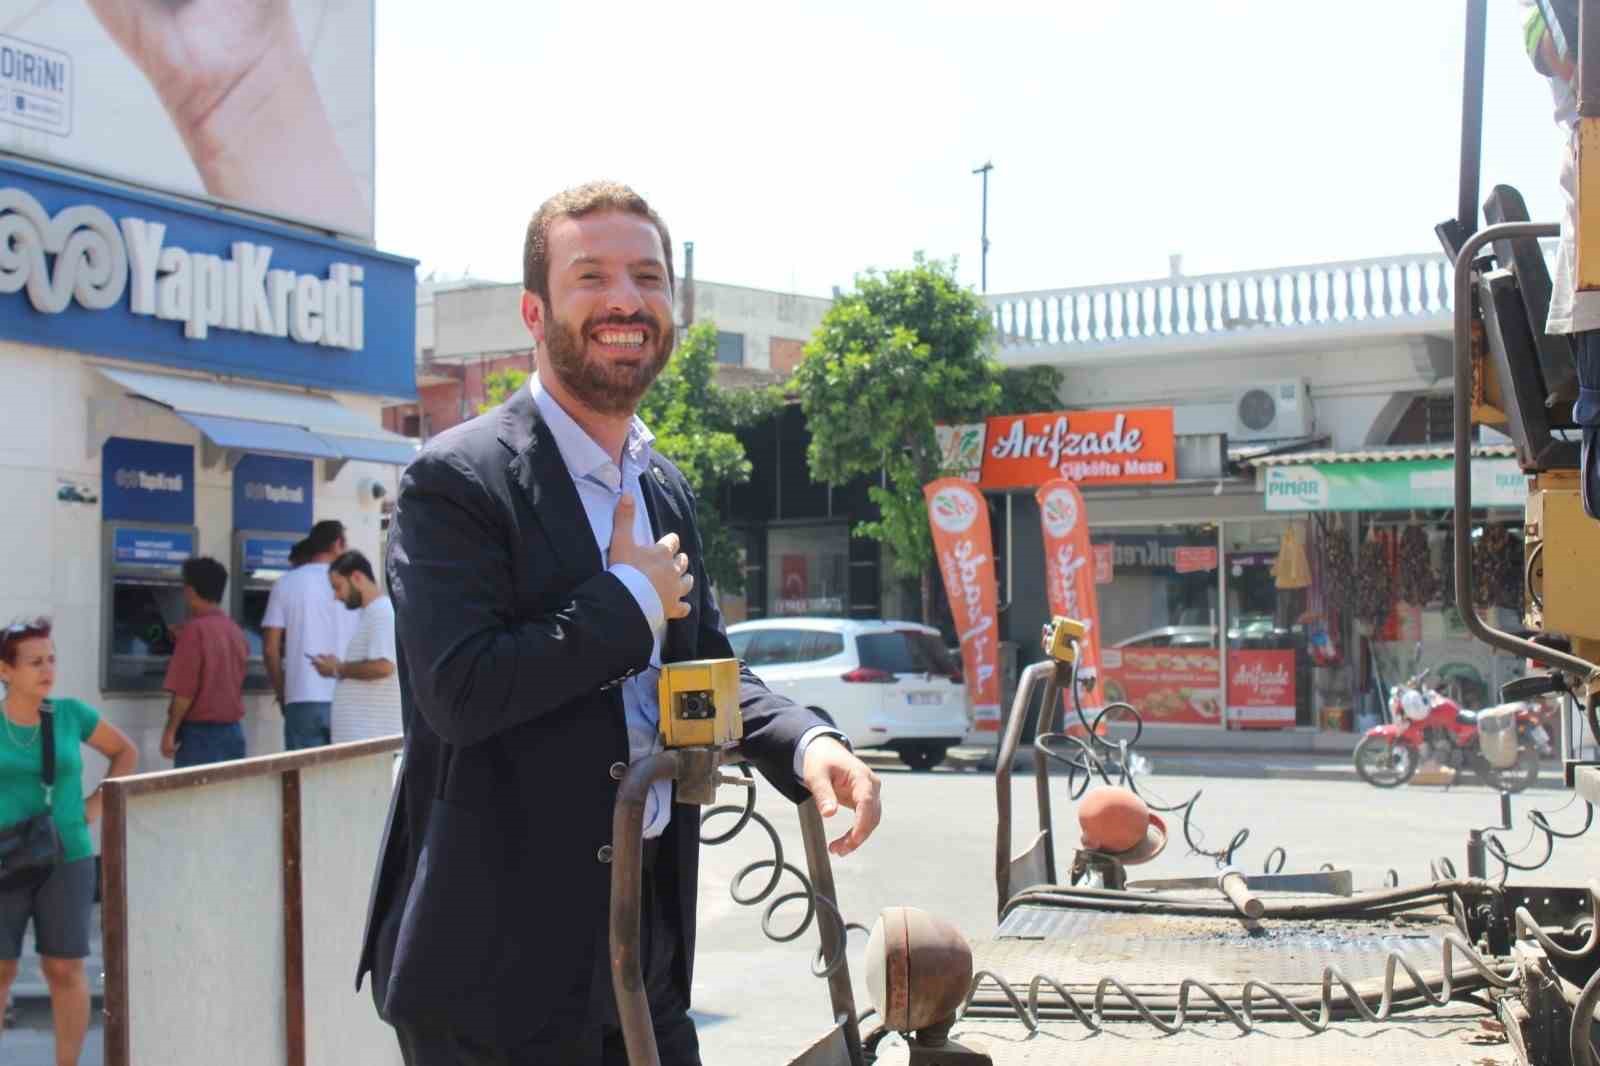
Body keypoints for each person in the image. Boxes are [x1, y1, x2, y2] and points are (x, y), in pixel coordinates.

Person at [358, 181, 884, 1066]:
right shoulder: (455, 480)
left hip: (643, 960)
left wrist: (805, 744)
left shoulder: (661, 483)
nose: (626, 301)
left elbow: (706, 669)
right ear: (535, 310)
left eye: (648, 277)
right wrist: (630, 601)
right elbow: (461, 691)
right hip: (494, 982)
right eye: (592, 276)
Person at [0, 619, 138, 1065]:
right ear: (5, 670)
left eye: (51, 659)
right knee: (1, 970)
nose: (47, 669)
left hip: (68, 855)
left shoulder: (71, 714)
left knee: (64, 967)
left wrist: (96, 805)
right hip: (4, 860)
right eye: (35, 662)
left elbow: (125, 751)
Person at [262, 520, 359, 750]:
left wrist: (282, 692)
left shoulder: (285, 584)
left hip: (302, 697)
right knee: (347, 779)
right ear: (338, 544)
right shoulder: (355, 586)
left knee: (304, 781)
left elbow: (269, 649)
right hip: (348, 698)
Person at [160, 557, 250, 767]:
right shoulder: (234, 630)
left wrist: (170, 731)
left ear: (190, 591)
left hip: (200, 736)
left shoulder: (194, 631)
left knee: (195, 799)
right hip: (234, 732)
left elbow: (184, 693)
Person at [314, 551, 401, 744]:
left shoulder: (382, 613)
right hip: (365, 741)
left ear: (357, 577)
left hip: (372, 742)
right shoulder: (373, 614)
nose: (336, 596)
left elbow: (384, 666)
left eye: (338, 587)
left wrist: (338, 668)